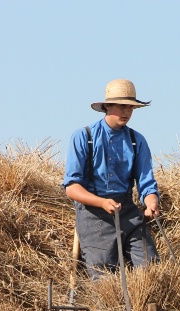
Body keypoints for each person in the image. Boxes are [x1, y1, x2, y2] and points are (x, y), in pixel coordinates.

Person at [63, 78, 160, 280]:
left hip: (127, 211)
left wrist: (151, 203)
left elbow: (146, 183)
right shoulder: (84, 136)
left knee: (153, 270)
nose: (127, 112)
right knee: (105, 277)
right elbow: (72, 188)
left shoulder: (136, 141)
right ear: (108, 105)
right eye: (122, 106)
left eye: (131, 108)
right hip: (93, 213)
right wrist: (101, 202)